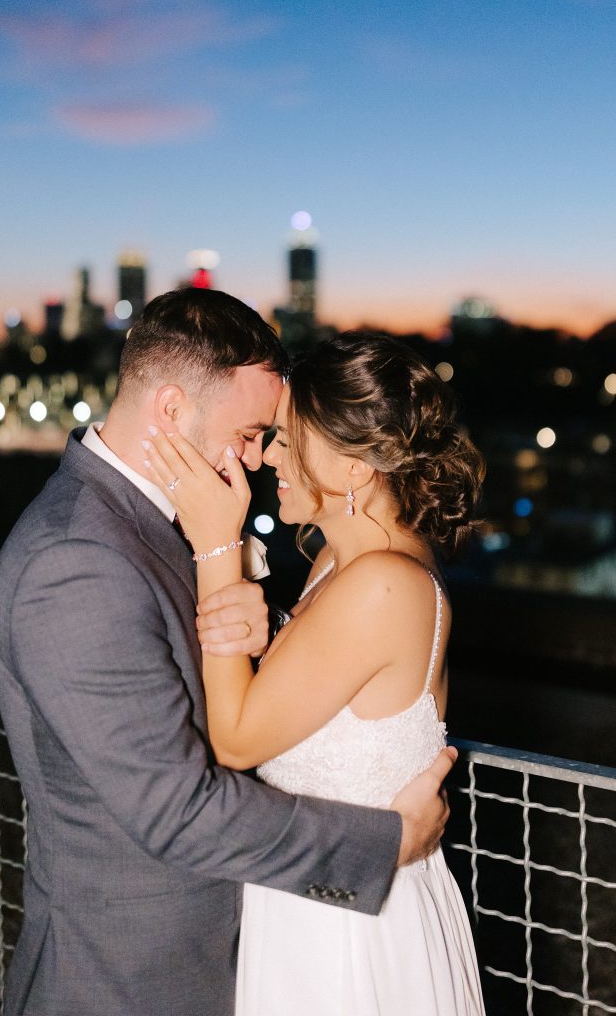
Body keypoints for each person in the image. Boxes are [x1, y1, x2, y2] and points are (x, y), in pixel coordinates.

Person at [0, 290, 455, 1016]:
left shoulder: (156, 520)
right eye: (250, 431)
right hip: (129, 978)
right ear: (171, 410)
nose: (259, 458)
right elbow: (176, 808)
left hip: (255, 946)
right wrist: (379, 844)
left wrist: (244, 604)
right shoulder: (76, 562)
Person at [143, 328, 487, 1015]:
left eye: (289, 439)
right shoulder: (343, 562)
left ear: (355, 468)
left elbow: (235, 741)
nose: (271, 457)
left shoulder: (381, 584)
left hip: (347, 930)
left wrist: (216, 546)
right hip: (320, 893)